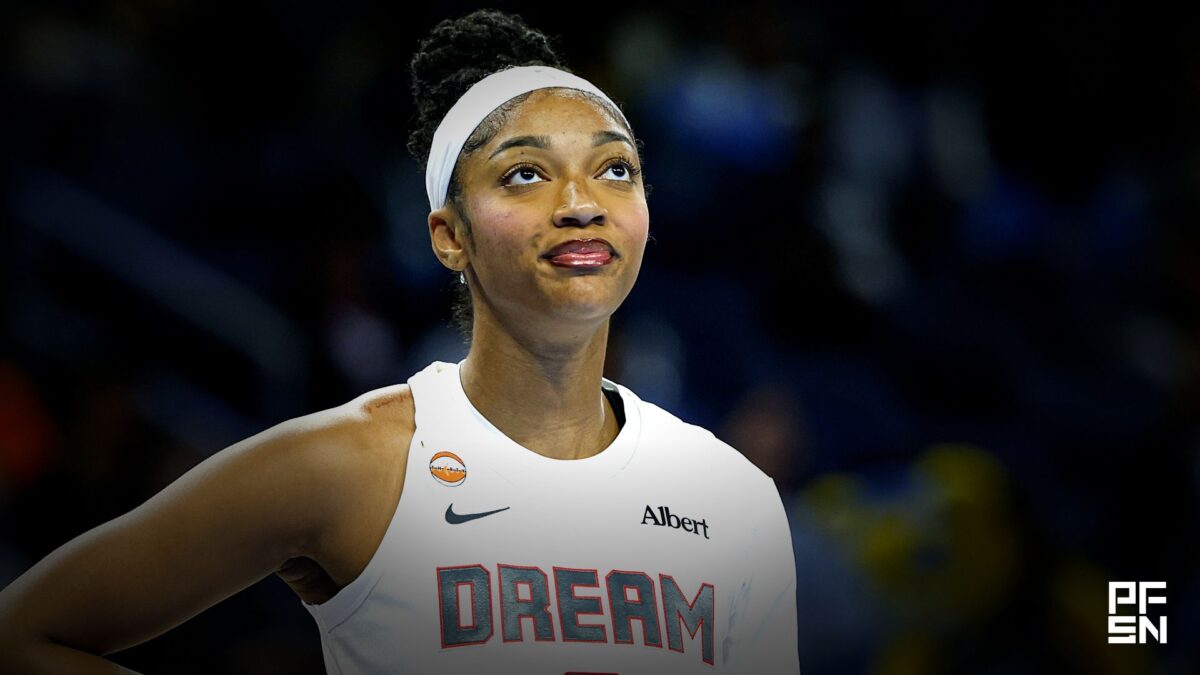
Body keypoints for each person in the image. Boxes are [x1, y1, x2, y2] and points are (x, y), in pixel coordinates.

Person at [0, 9, 800, 675]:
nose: (581, 203)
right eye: (525, 173)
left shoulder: (734, 499)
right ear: (449, 236)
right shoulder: (352, 463)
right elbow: (26, 633)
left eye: (614, 170)